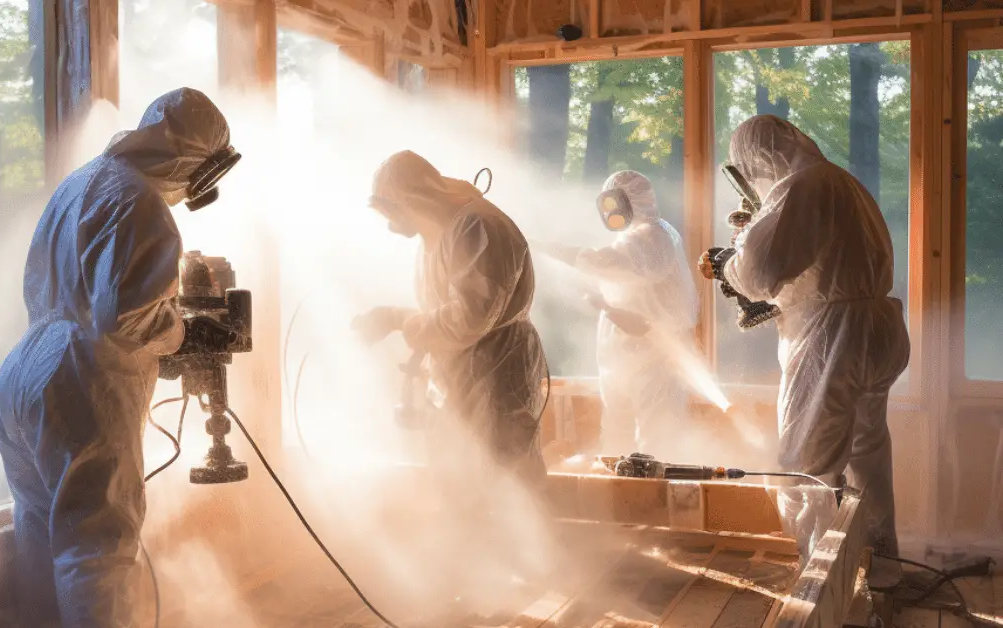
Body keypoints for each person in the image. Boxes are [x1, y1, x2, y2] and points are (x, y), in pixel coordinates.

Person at [0, 87, 235, 627]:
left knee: (39, 533)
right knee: (98, 550)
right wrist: (182, 331)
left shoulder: (79, 183)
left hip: (24, 370)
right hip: (80, 378)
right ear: (193, 156)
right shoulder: (139, 200)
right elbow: (127, 319)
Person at [700, 114, 909, 585]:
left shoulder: (802, 187)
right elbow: (819, 268)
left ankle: (819, 585)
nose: (754, 179)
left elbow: (760, 272)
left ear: (759, 156)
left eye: (750, 168)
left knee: (807, 465)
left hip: (836, 337)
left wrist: (727, 264)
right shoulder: (842, 182)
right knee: (866, 453)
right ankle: (883, 570)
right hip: (877, 328)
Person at [351, 150, 547, 489]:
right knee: (462, 485)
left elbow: (470, 318)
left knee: (504, 484)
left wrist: (400, 320)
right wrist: (394, 319)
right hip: (464, 377)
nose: (389, 222)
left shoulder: (476, 227)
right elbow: (447, 311)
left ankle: (520, 544)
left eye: (391, 210)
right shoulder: (442, 231)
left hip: (494, 374)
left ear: (413, 199)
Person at [543, 171, 699, 456]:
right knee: (616, 431)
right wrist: (600, 300)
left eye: (615, 203)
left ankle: (649, 499)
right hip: (625, 347)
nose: (610, 212)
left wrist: (558, 251)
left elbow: (616, 265)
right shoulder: (635, 238)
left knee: (657, 440)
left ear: (633, 201)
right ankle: (618, 495)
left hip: (654, 350)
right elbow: (621, 281)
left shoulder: (655, 237)